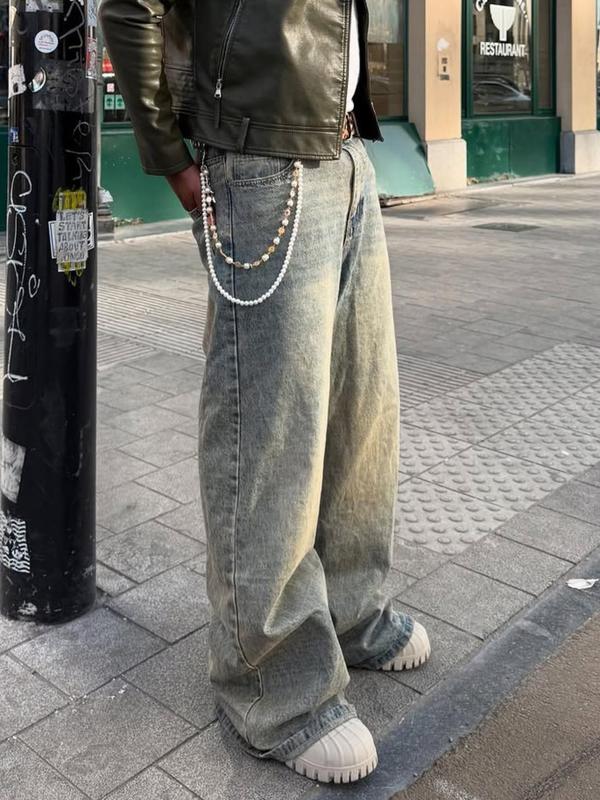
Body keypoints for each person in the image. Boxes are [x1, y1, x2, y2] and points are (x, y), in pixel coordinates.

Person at [99, 0, 432, 784]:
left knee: (360, 410)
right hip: (260, 162)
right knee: (269, 425)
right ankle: (270, 682)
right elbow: (131, 7)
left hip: (345, 153)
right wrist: (171, 158)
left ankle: (349, 611)